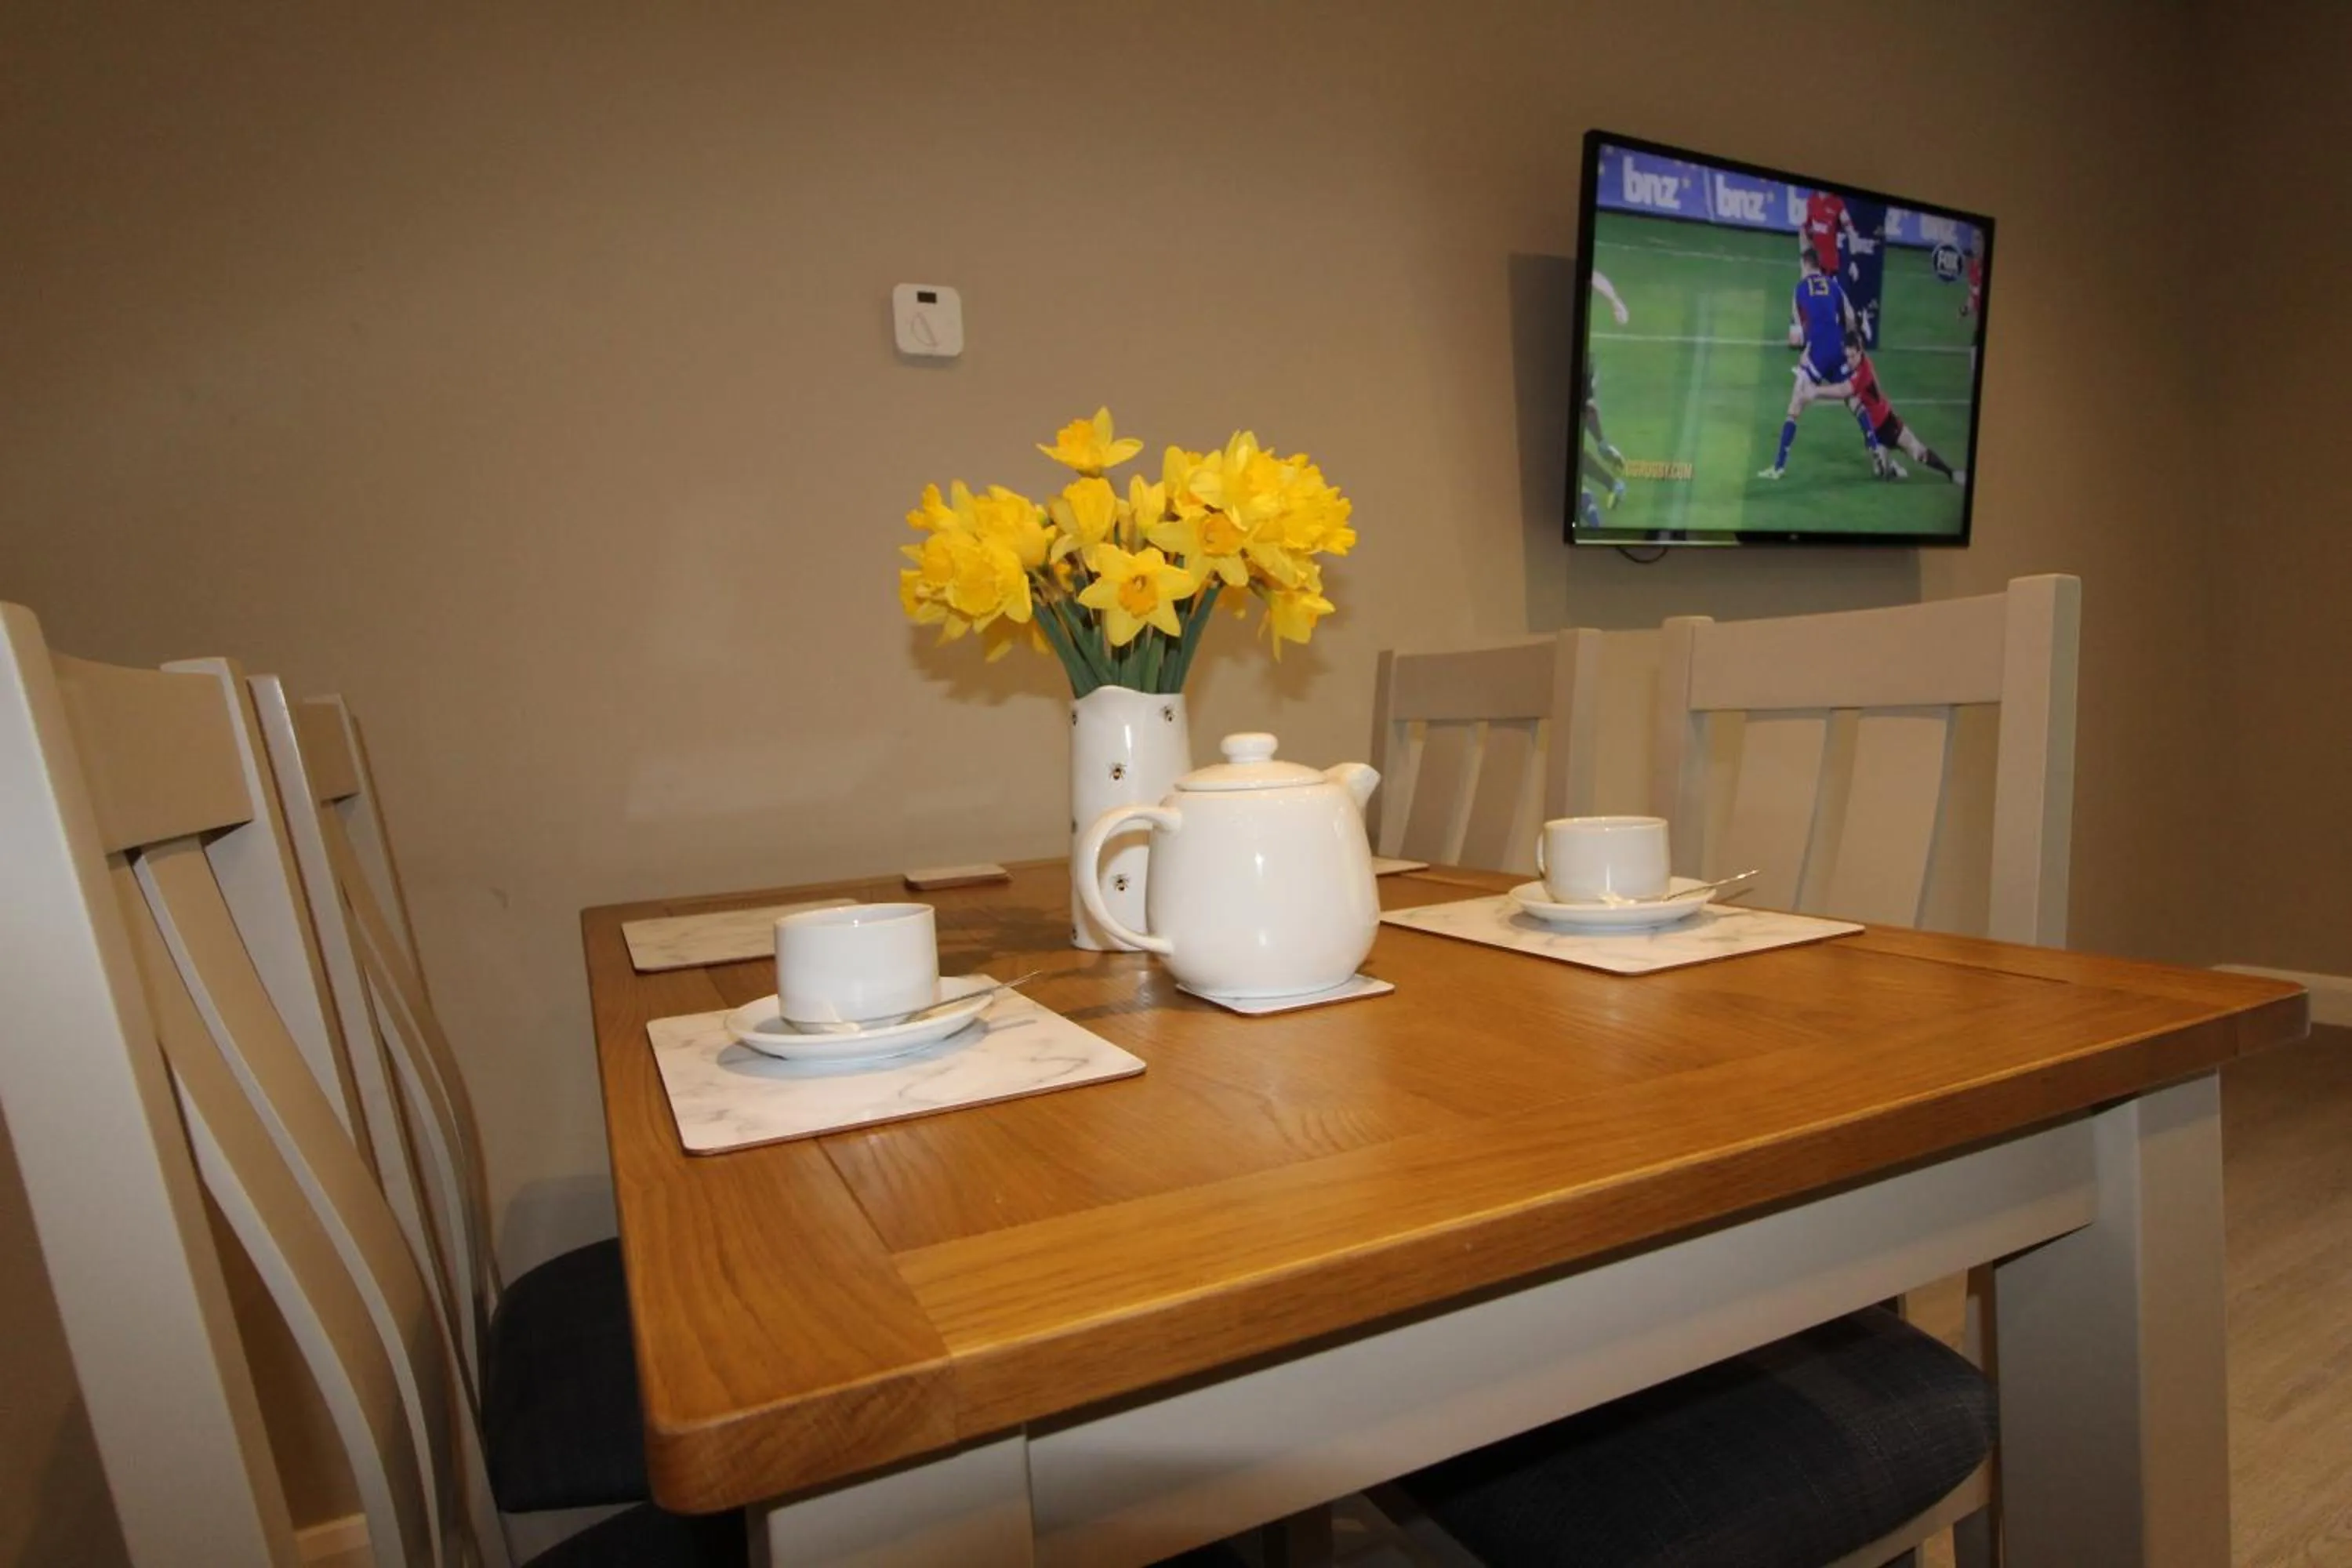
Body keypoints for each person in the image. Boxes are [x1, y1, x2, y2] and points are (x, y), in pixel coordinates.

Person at [1758, 250, 1856, 480]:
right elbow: (1850, 317)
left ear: (1804, 265)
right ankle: (1876, 449)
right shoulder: (1833, 285)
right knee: (1855, 398)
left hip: (1817, 353)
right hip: (1840, 346)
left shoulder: (1800, 289)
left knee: (1795, 406)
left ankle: (1778, 467)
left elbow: (1796, 337)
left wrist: (1805, 349)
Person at [1842, 333, 1965, 485]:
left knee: (1918, 453)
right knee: (1880, 473)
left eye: (1852, 356)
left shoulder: (1864, 370)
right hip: (1875, 431)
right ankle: (1893, 468)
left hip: (1888, 423)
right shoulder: (1852, 368)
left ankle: (1951, 473)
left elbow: (1845, 392)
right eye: (1847, 356)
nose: (1849, 361)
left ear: (1860, 352)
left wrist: (1814, 390)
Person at [1578, 270, 1632, 521]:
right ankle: (1602, 447)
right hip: (1586, 359)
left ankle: (1595, 491)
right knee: (1586, 407)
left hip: (1578, 358)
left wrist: (1615, 301)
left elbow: (1594, 276)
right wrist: (1615, 300)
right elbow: (1596, 276)